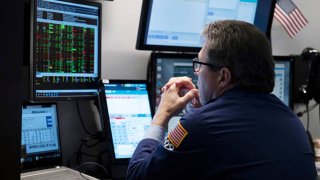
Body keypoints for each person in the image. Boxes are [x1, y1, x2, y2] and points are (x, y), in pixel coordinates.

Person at [127, 20, 317, 179]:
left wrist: (162, 115)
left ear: (223, 77)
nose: (197, 73)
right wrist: (206, 109)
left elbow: (137, 175)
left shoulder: (201, 123)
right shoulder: (291, 119)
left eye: (199, 64)